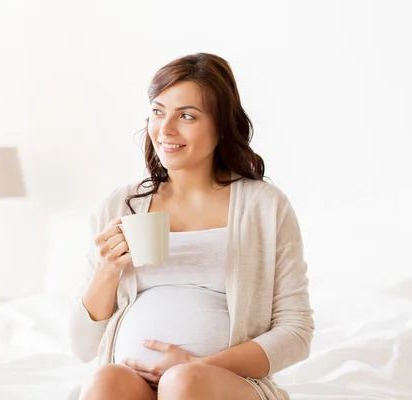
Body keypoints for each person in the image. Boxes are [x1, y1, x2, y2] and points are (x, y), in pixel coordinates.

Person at [68, 52, 314, 400]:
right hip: (131, 384)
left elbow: (296, 333)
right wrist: (108, 269)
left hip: (221, 385)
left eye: (186, 116)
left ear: (221, 125)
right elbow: (82, 347)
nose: (165, 130)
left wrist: (202, 367)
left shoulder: (264, 206)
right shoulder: (122, 205)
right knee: (104, 381)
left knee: (183, 384)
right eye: (158, 111)